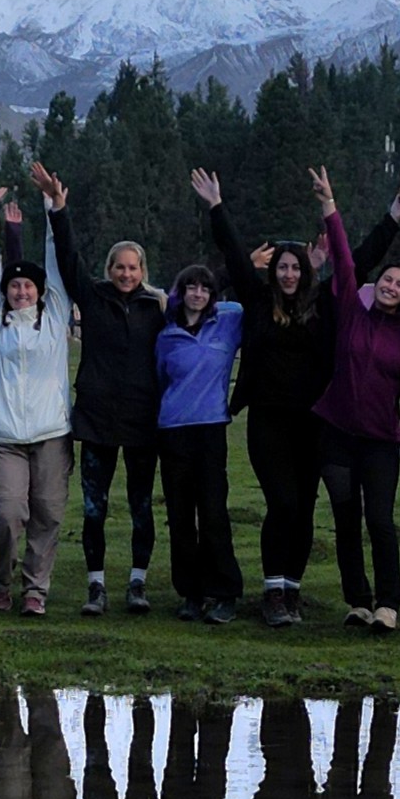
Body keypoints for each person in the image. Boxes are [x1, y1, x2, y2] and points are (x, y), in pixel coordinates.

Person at [205, 182, 400, 626]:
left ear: (306, 273)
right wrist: (217, 206)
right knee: (283, 504)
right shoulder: (257, 303)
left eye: (296, 268)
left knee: (307, 506)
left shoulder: (326, 305)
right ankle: (272, 592)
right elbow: (236, 257)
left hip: (315, 423)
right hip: (268, 423)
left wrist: (393, 215)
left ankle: (291, 591)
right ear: (274, 270)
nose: (290, 274)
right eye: (283, 267)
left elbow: (362, 259)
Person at [30, 160, 167, 617]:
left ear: (142, 270)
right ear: (109, 269)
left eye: (133, 268)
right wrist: (58, 208)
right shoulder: (92, 297)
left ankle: (137, 583)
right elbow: (68, 259)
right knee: (94, 508)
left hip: (144, 421)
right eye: (119, 267)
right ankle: (95, 587)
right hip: (96, 419)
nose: (126, 274)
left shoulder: (156, 308)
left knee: (141, 506)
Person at [309, 166, 400, 632]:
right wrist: (328, 205)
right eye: (388, 280)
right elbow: (345, 260)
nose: (392, 286)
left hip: (379, 440)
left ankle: (388, 603)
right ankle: (357, 599)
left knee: (379, 519)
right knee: (346, 519)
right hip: (335, 432)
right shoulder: (353, 310)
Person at [0, 184, 74, 615]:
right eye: (14, 286)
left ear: (39, 291)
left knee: (48, 513)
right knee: (7, 513)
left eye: (28, 286)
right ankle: (1, 581)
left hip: (51, 434)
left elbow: (58, 264)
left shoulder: (54, 320)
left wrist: (53, 209)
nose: (21, 291)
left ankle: (35, 589)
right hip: (4, 436)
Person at [156, 170, 250, 622]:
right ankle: (190, 593)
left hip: (211, 429)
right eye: (190, 286)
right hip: (172, 432)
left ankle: (225, 591)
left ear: (212, 294)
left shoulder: (228, 322)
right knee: (180, 517)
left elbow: (245, 286)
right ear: (181, 292)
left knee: (213, 513)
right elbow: (159, 379)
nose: (197, 293)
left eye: (204, 287)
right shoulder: (165, 334)